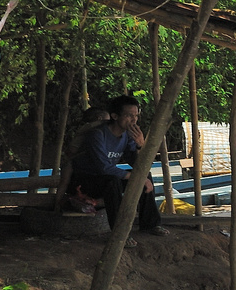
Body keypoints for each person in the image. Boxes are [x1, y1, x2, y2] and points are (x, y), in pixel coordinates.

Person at [71, 95, 166, 236]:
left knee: (145, 176)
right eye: (129, 115)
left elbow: (138, 164)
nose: (133, 120)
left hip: (107, 179)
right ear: (115, 116)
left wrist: (141, 145)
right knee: (113, 181)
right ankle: (119, 233)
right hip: (85, 182)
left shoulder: (127, 136)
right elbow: (103, 167)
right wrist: (136, 177)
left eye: (136, 116)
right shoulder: (98, 135)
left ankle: (150, 224)